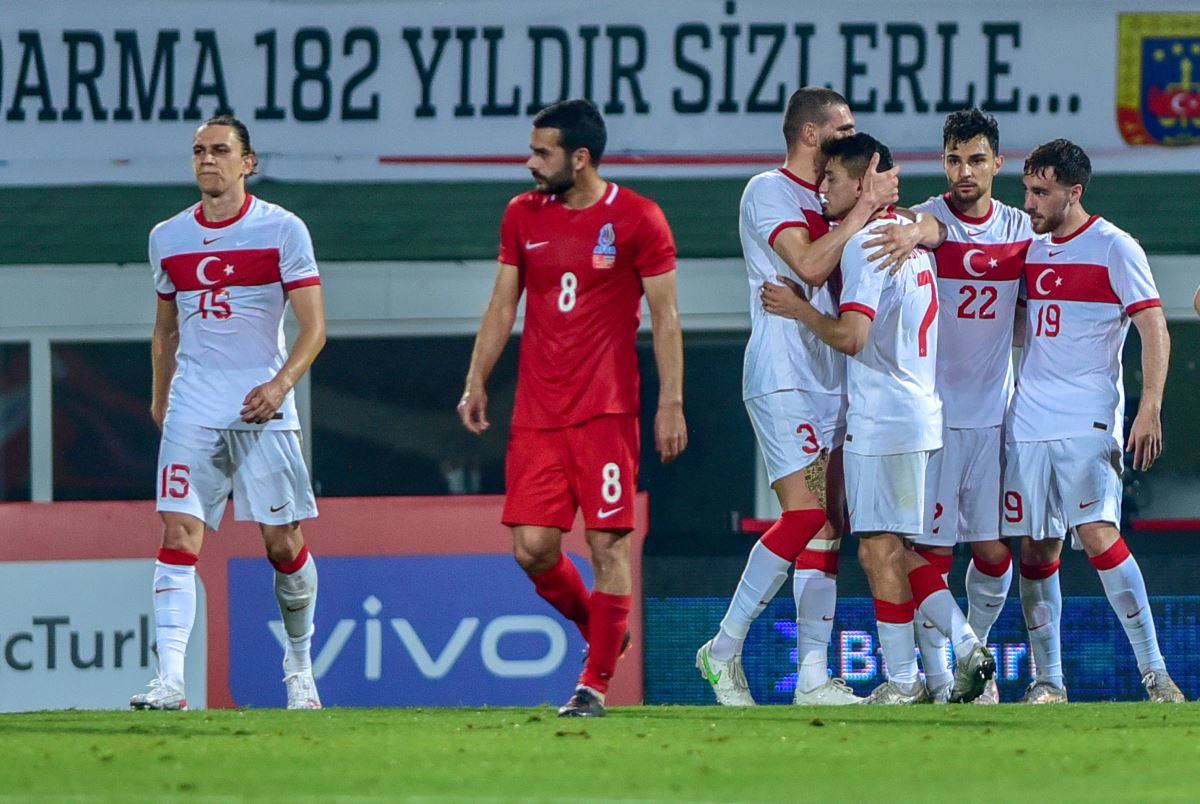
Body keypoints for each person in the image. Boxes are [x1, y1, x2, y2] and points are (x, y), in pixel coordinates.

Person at [695, 86, 942, 706]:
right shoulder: (768, 191)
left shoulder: (834, 192)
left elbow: (933, 229)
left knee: (828, 529)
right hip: (784, 373)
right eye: (844, 126)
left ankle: (811, 678)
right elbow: (806, 265)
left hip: (832, 373)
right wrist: (863, 210)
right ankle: (722, 649)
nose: (853, 133)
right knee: (804, 515)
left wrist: (909, 225)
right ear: (812, 133)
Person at [457, 99, 686, 718]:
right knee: (531, 548)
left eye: (542, 153)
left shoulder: (639, 218)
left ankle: (594, 686)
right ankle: (601, 626)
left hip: (607, 412)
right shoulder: (521, 215)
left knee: (609, 546)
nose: (531, 163)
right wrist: (477, 378)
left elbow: (665, 317)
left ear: (579, 159)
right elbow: (503, 305)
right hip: (537, 412)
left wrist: (671, 401)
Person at [762, 133, 995, 704]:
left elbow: (852, 334)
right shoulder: (912, 242)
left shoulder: (870, 244)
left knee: (875, 549)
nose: (820, 191)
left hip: (884, 418)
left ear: (864, 182)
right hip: (918, 413)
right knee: (892, 546)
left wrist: (799, 310)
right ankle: (960, 652)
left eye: (833, 180)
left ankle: (906, 677)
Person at [131, 115, 327, 711]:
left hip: (262, 407)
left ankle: (298, 668)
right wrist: (162, 397)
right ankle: (170, 681)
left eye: (220, 151)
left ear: (248, 163)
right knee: (177, 533)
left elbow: (314, 328)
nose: (207, 161)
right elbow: (163, 332)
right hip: (195, 405)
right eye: (198, 151)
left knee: (282, 542)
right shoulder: (167, 236)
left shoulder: (283, 230)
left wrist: (280, 384)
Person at [1002, 139, 1184, 703]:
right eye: (1027, 190)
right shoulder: (1027, 250)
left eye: (1041, 192)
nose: (1029, 203)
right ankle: (1049, 681)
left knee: (1100, 534)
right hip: (1027, 418)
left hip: (1087, 417)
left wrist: (1149, 405)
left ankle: (1155, 673)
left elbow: (1153, 324)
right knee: (1035, 549)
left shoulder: (1114, 247)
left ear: (1074, 192)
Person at [874, 109, 1032, 704]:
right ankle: (942, 678)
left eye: (975, 159)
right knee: (929, 554)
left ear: (997, 163)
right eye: (953, 160)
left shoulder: (1019, 228)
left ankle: (978, 659)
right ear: (944, 163)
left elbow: (1009, 268)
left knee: (993, 553)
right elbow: (919, 226)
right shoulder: (919, 219)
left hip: (994, 419)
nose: (963, 171)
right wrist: (918, 230)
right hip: (935, 420)